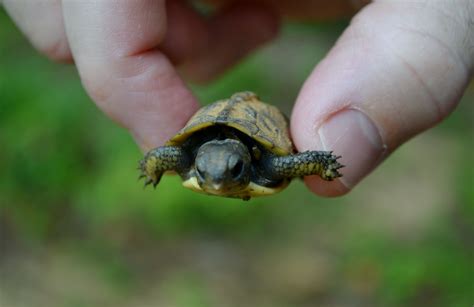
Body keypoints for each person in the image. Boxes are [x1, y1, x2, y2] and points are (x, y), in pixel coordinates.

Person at [3, 0, 473, 197]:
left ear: (243, 165)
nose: (215, 181)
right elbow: (165, 153)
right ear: (201, 163)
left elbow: (293, 160)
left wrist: (323, 160)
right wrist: (155, 165)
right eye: (208, 173)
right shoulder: (196, 161)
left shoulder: (266, 164)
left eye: (225, 174)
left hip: (260, 132)